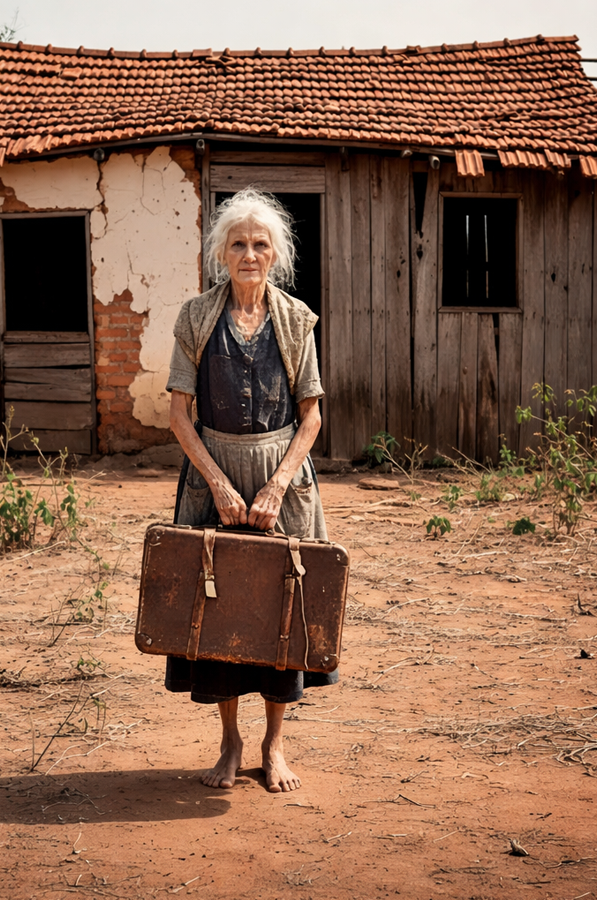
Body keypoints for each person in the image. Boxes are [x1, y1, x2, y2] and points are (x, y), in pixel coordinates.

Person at [165, 188, 336, 793]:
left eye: (260, 244)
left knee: (279, 612)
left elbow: (312, 416)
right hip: (213, 477)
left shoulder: (295, 320)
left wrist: (277, 485)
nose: (248, 253)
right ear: (220, 253)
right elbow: (179, 416)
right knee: (216, 613)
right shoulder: (195, 317)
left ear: (276, 254)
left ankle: (275, 742)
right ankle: (231, 742)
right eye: (237, 243)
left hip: (280, 484)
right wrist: (216, 481)